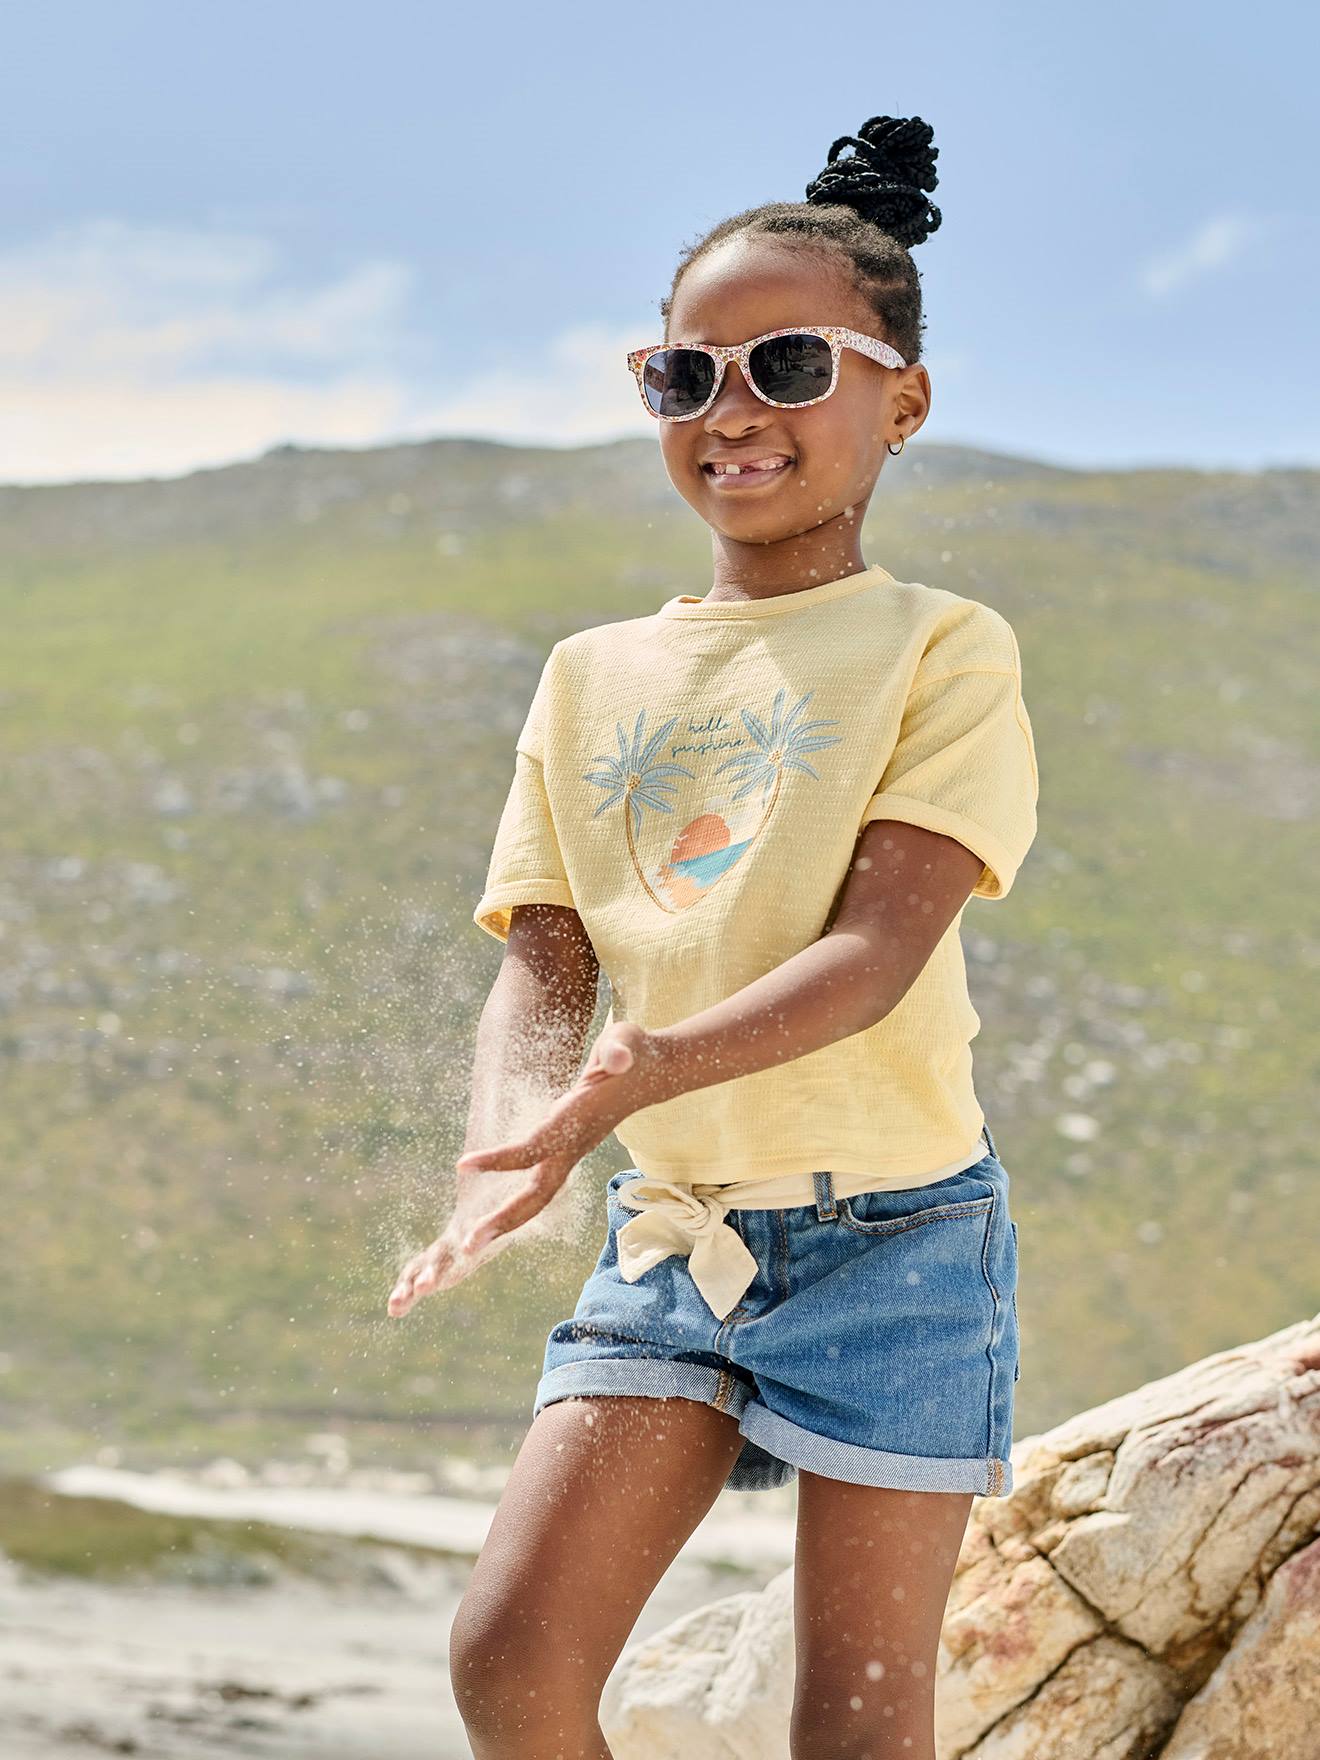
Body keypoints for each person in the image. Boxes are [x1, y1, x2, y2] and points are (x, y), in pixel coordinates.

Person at [389, 112, 1039, 1760]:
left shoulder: (941, 650)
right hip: (670, 1241)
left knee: (855, 1730)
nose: (733, 413)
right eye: (685, 377)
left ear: (903, 399)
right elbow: (543, 971)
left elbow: (878, 950)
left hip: (896, 1248)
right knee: (512, 1664)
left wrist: (638, 1068)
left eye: (791, 367)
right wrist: (508, 1152)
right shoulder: (588, 673)